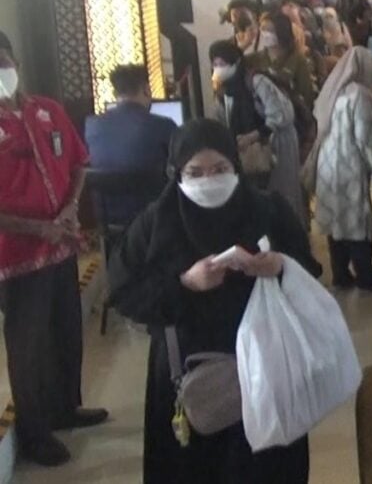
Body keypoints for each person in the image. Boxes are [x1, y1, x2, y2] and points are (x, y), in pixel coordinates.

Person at [108, 119, 320, 484]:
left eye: (220, 169)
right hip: (187, 373)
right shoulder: (155, 223)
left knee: (269, 467)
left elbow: (308, 271)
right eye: (196, 172)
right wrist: (185, 284)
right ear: (177, 172)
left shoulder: (268, 210)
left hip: (266, 364)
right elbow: (125, 293)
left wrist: (280, 265)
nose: (209, 180)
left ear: (236, 166)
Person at [0, 31, 109, 468]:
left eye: (3, 60)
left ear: (16, 62)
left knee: (65, 331)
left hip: (61, 248)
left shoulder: (46, 110)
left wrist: (66, 213)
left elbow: (79, 163)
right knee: (27, 345)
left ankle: (66, 405)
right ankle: (33, 430)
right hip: (16, 257)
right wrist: (36, 227)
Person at [210, 41, 307, 226]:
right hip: (249, 151)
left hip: (276, 143)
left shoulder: (256, 81)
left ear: (236, 61)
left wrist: (253, 136)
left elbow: (281, 114)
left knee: (282, 195)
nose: (218, 69)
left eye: (222, 63)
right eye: (214, 64)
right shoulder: (225, 89)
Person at [313, 47, 372, 291]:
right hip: (350, 161)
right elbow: (364, 138)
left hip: (328, 162)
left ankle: (341, 275)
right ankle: (367, 277)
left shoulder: (334, 92)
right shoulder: (361, 96)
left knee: (336, 221)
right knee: (358, 223)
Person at [85, 64, 179, 222]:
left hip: (109, 219)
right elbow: (181, 163)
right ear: (146, 89)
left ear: (115, 93)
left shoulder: (92, 125)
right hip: (155, 218)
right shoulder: (164, 125)